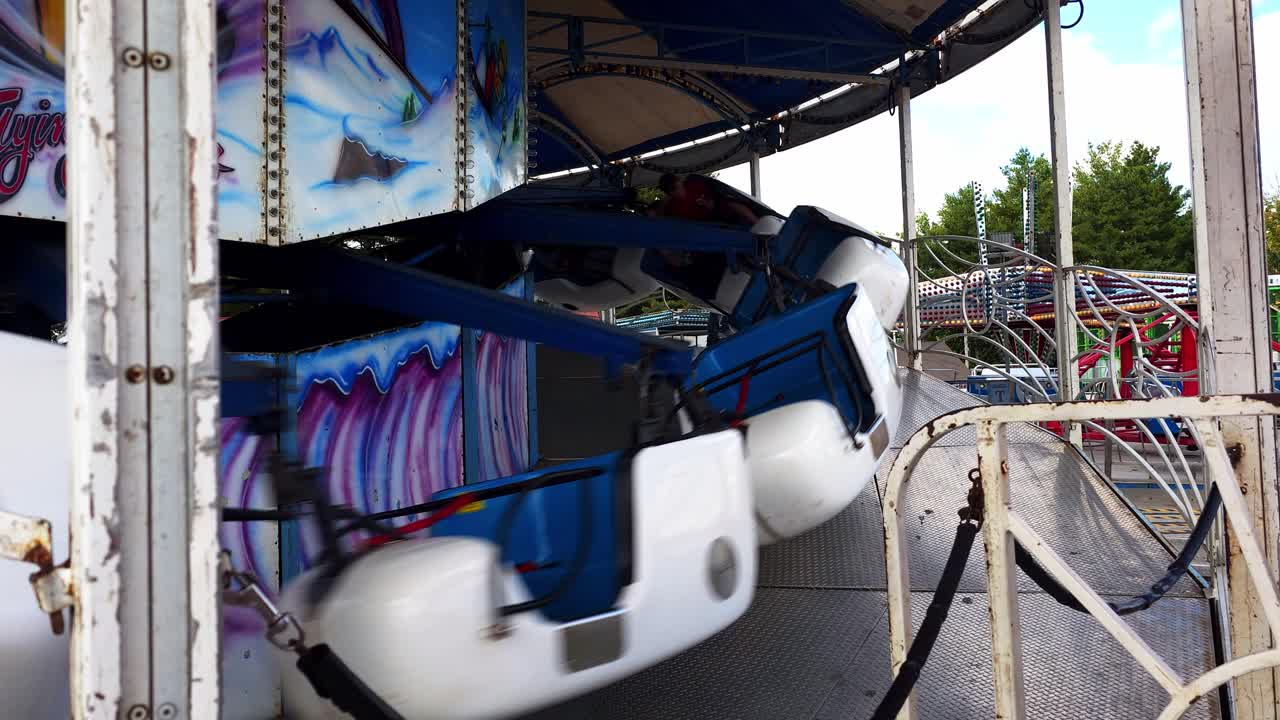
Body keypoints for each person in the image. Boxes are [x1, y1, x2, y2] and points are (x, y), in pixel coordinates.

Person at [654, 173, 759, 227]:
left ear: (679, 181)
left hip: (716, 212)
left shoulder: (694, 185)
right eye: (670, 190)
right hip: (700, 227)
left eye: (674, 186)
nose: (675, 191)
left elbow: (717, 195)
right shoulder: (671, 206)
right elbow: (660, 218)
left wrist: (708, 203)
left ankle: (758, 222)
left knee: (731, 203)